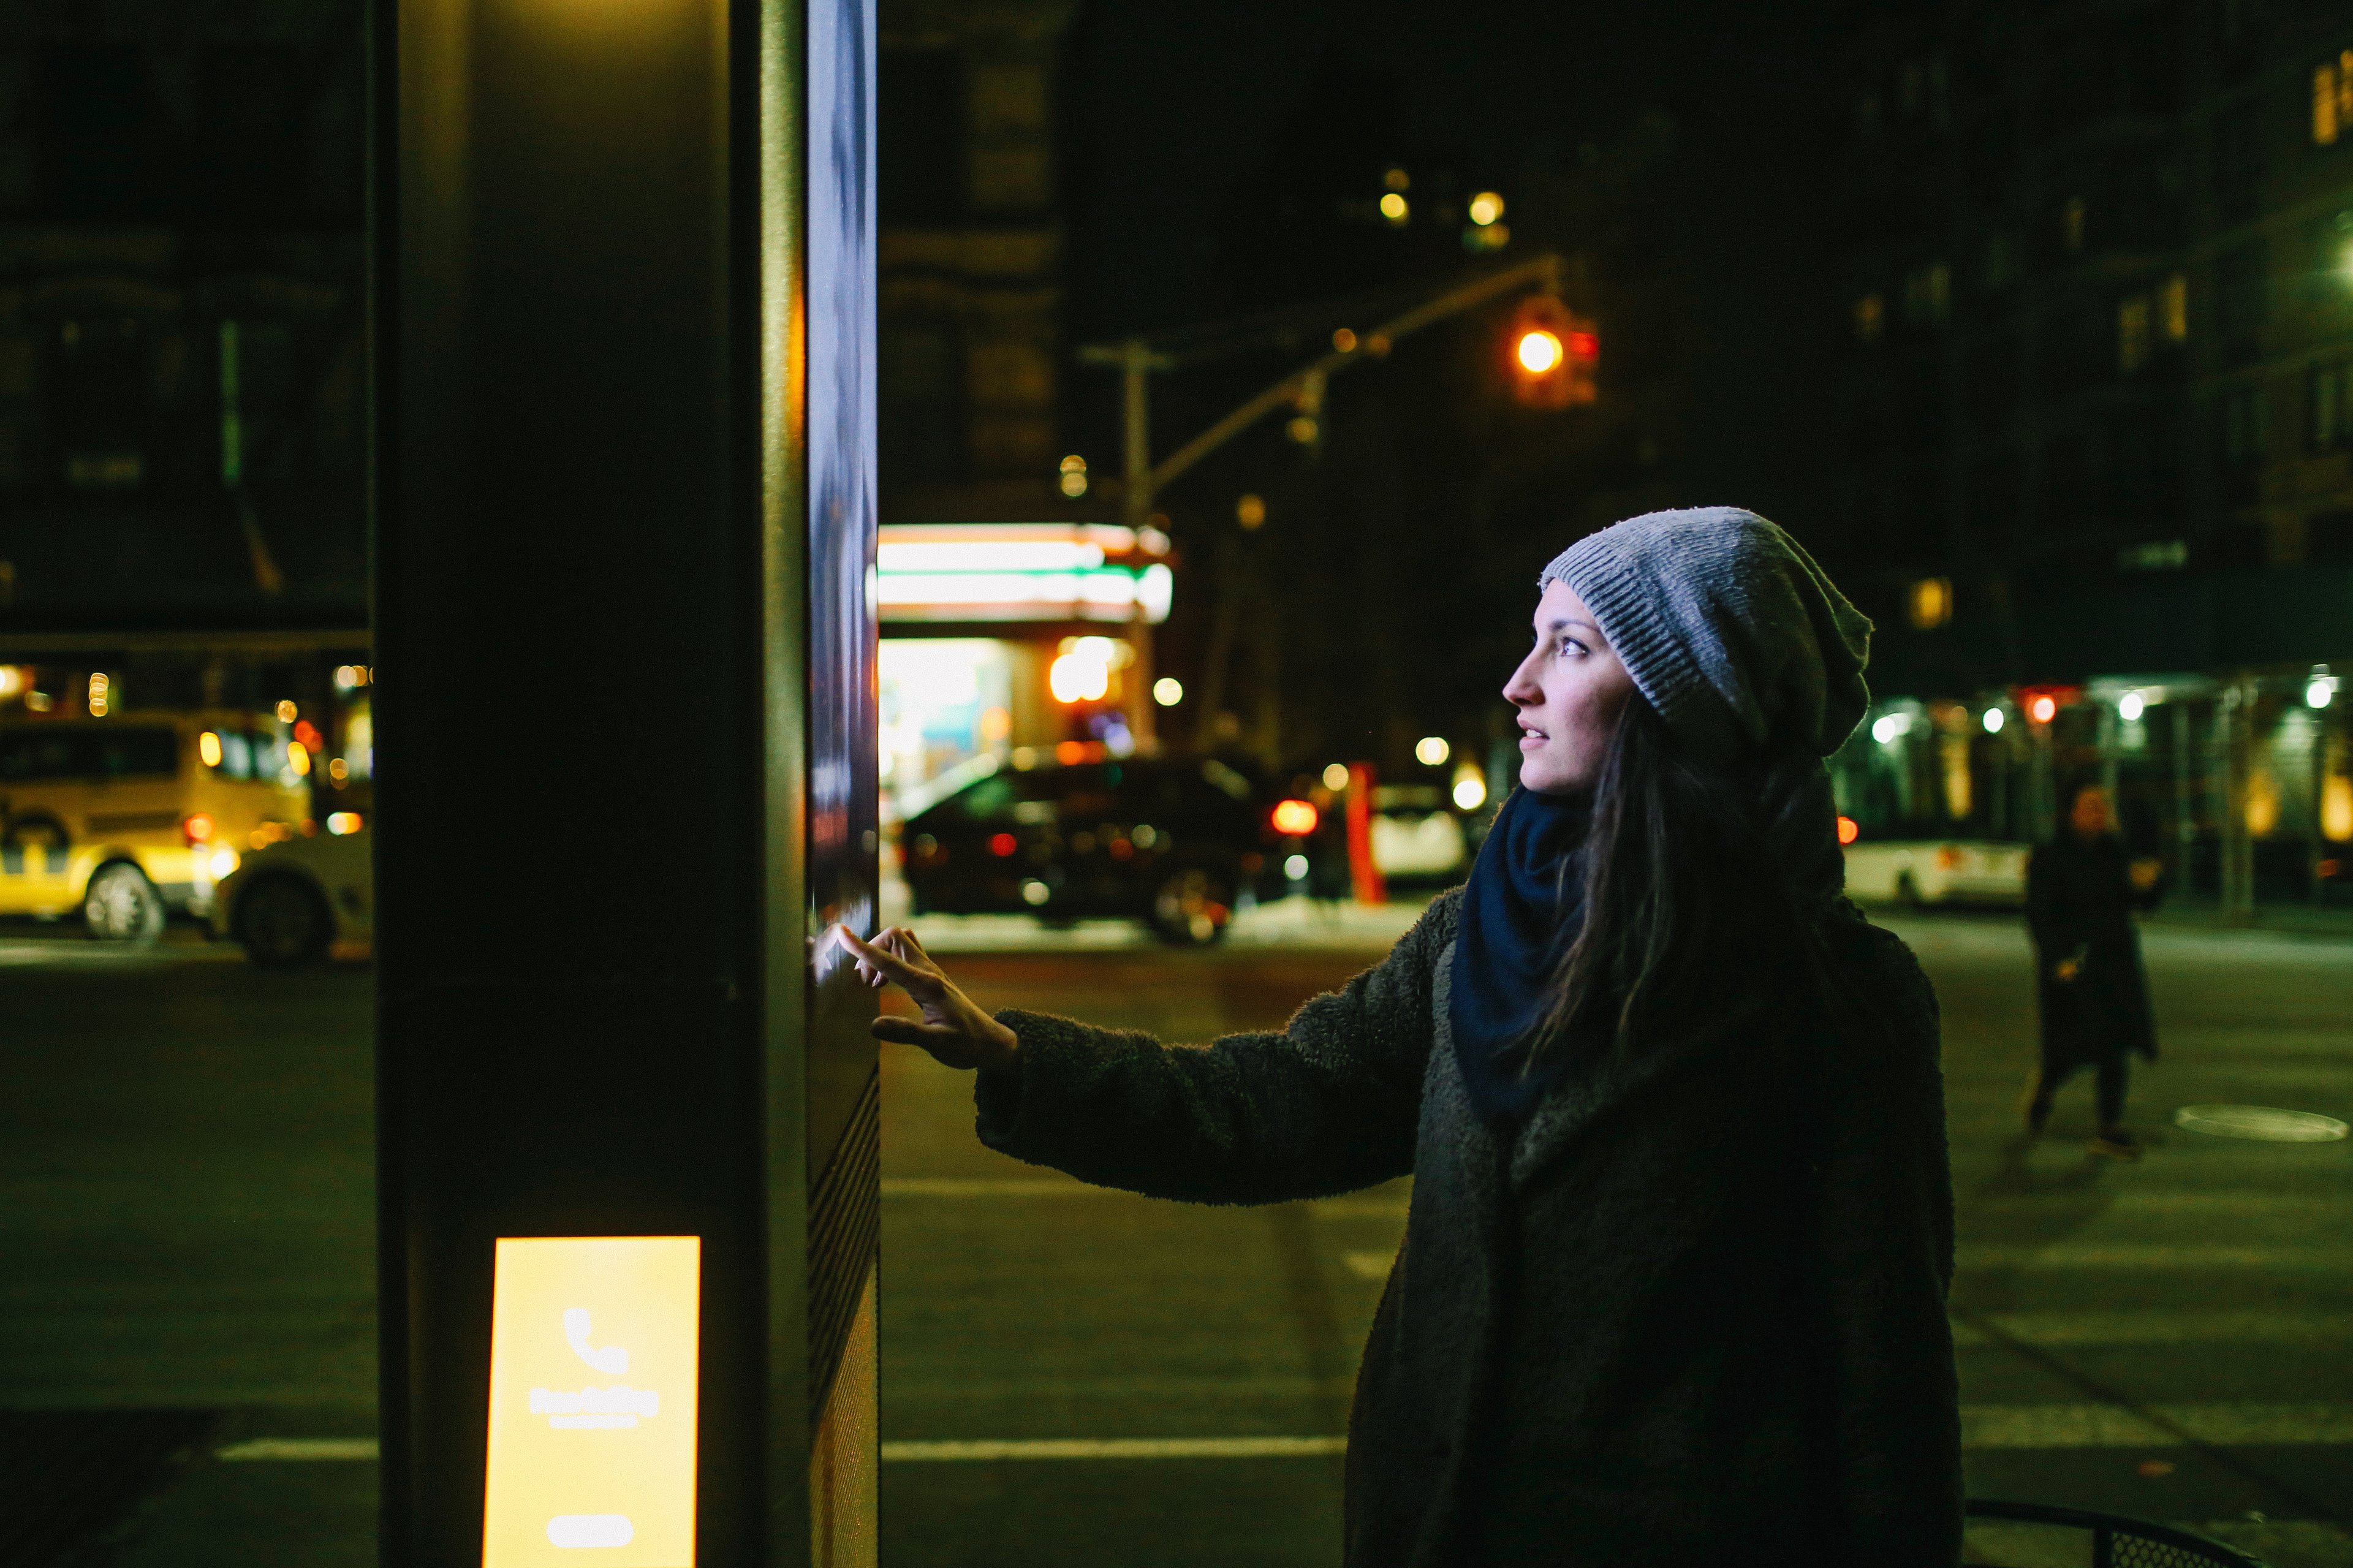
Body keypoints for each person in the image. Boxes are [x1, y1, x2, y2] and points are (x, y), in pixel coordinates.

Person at [840, 507, 1961, 1567]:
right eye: (1534, 639)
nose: (1519, 682)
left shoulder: (1841, 994)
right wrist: (1020, 1058)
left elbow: (1888, 1367)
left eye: (1570, 647)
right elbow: (1286, 1099)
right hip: (1431, 1521)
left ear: (1687, 695)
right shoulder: (1482, 929)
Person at [2023, 780, 2165, 1160]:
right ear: (2072, 812)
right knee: (2068, 1046)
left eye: (2103, 806)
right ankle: (2046, 1087)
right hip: (2072, 963)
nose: (2099, 813)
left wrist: (2148, 885)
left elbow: (2135, 902)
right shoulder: (2052, 854)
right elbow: (2040, 913)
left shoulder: (2116, 851)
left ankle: (2109, 1127)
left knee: (2114, 1044)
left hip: (2114, 961)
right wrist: (2057, 958)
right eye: (2091, 806)